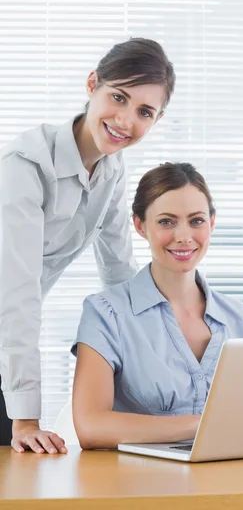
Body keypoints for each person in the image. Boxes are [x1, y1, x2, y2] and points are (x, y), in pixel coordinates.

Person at [0, 38, 175, 454]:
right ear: (92, 84)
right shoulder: (24, 168)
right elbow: (17, 294)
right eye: (118, 97)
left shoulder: (111, 170)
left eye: (144, 112)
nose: (125, 120)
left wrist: (168, 355)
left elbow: (120, 273)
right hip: (10, 327)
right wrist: (25, 419)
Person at [71, 162, 243, 450]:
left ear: (212, 223)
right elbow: (91, 426)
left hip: (233, 482)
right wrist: (200, 425)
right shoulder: (106, 314)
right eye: (166, 221)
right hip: (140, 486)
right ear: (140, 225)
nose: (184, 236)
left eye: (196, 220)